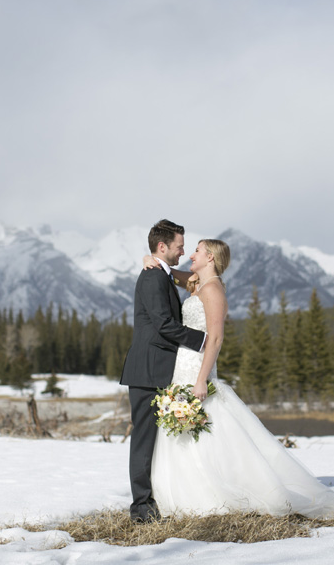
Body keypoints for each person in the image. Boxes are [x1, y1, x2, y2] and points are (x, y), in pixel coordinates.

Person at [146, 238, 334, 517]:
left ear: (211, 258)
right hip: (181, 369)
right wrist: (155, 263)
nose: (191, 255)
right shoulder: (197, 282)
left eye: (197, 251)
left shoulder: (214, 290)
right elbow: (175, 275)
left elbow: (215, 339)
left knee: (208, 433)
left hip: (197, 371)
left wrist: (202, 379)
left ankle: (216, 494)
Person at [120, 219, 207, 523]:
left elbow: (196, 276)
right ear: (162, 246)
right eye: (179, 246)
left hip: (158, 368)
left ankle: (156, 499)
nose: (183, 252)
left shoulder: (162, 274)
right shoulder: (154, 277)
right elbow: (163, 325)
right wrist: (204, 340)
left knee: (157, 440)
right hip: (147, 369)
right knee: (144, 440)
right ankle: (141, 509)